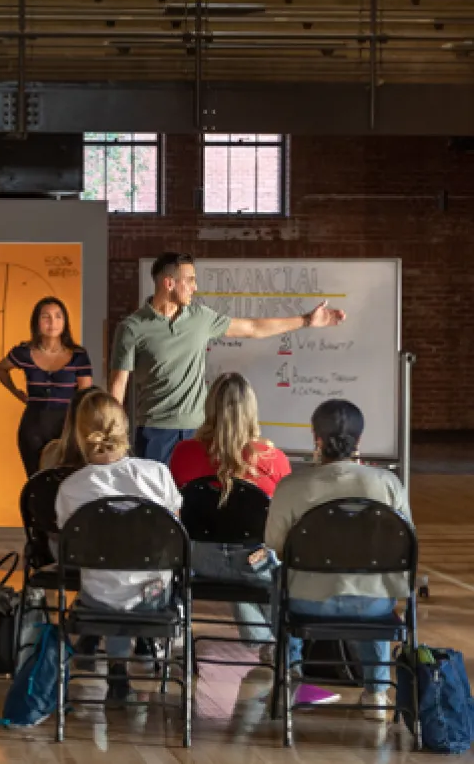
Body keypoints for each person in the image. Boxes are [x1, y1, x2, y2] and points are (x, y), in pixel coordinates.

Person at [109, 252, 346, 465]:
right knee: (156, 503)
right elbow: (118, 385)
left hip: (198, 431)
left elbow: (253, 328)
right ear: (169, 283)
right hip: (154, 432)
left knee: (195, 500)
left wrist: (305, 321)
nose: (195, 286)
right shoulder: (132, 328)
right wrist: (114, 436)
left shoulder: (200, 317)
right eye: (190, 280)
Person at [265, 399, 411, 720]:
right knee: (377, 583)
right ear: (359, 440)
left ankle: (291, 676)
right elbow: (405, 549)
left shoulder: (291, 487)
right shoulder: (388, 485)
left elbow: (275, 546)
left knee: (276, 578)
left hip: (307, 601)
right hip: (372, 604)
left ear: (316, 439)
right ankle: (376, 694)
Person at [55, 391, 182, 703]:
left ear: (79, 433)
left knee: (111, 581)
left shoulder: (72, 487)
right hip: (152, 594)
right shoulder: (157, 474)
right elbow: (176, 532)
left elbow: (66, 544)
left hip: (98, 595)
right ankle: (134, 658)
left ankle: (117, 668)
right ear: (125, 427)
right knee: (134, 578)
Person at [169, 372, 291, 659]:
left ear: (209, 407)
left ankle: (261, 638)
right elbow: (283, 519)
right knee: (273, 554)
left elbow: (174, 511)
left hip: (198, 560)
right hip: (252, 565)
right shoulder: (273, 460)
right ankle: (277, 646)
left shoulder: (184, 453)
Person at [0, 297, 94, 478]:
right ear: (36, 322)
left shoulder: (78, 355)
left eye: (58, 316)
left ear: (65, 321)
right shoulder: (24, 352)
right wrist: (16, 392)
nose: (52, 322)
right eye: (45, 317)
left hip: (66, 425)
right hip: (33, 425)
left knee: (67, 481)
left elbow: (85, 394)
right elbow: (1, 369)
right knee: (37, 483)